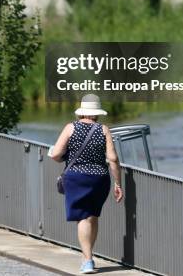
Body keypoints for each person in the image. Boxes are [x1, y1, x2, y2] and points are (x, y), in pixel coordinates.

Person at [50, 94, 123, 274]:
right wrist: (118, 184)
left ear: (81, 112)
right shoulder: (103, 129)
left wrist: (63, 156)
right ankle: (88, 256)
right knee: (92, 216)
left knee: (83, 217)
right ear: (97, 113)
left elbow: (56, 154)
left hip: (76, 178)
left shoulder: (70, 128)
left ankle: (88, 260)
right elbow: (112, 158)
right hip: (100, 179)